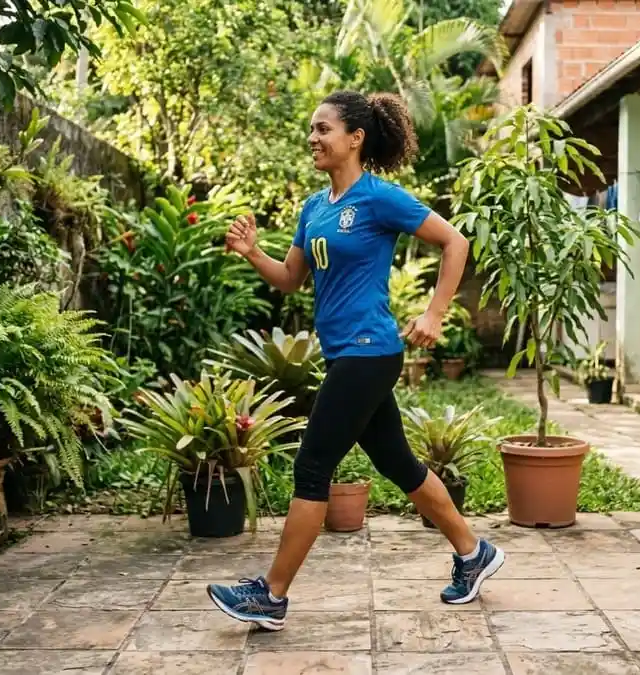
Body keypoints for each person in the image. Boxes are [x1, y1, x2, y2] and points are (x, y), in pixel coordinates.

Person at [206, 90, 504, 632]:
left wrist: (435, 313)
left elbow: (455, 242)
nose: (313, 139)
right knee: (399, 465)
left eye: (323, 129)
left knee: (312, 465)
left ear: (355, 138)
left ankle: (271, 595)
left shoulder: (379, 198)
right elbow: (293, 278)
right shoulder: (315, 207)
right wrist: (253, 253)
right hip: (345, 353)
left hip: (370, 353)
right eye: (312, 130)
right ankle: (472, 552)